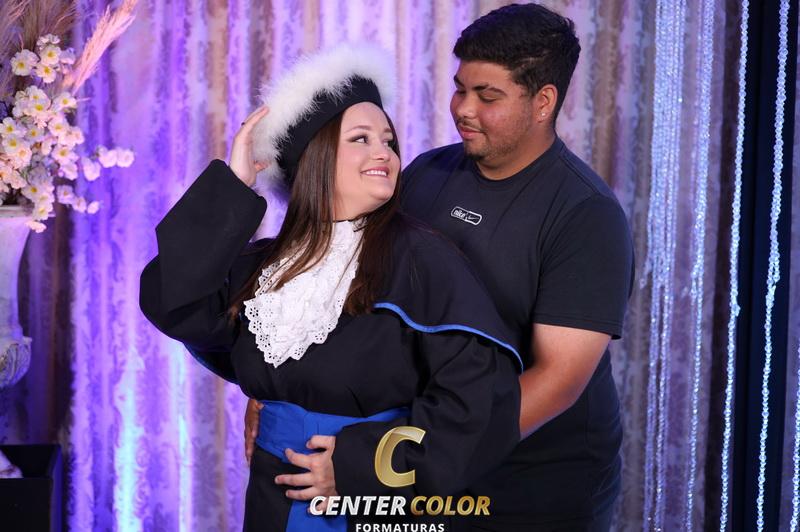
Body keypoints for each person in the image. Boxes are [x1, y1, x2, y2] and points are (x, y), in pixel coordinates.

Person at [247, 5, 634, 531]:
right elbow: (347, 288)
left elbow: (558, 380)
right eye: (460, 88)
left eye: (487, 96)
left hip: (529, 483)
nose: (464, 109)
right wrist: (279, 386)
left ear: (543, 101)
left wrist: (389, 462)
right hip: (426, 464)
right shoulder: (429, 173)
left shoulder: (585, 214)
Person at [139, 44, 522, 532]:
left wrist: (362, 468)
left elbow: (479, 403)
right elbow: (174, 301)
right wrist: (234, 185)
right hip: (272, 500)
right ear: (313, 158)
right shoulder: (269, 264)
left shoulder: (422, 260)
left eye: (388, 140)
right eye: (361, 138)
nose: (384, 152)